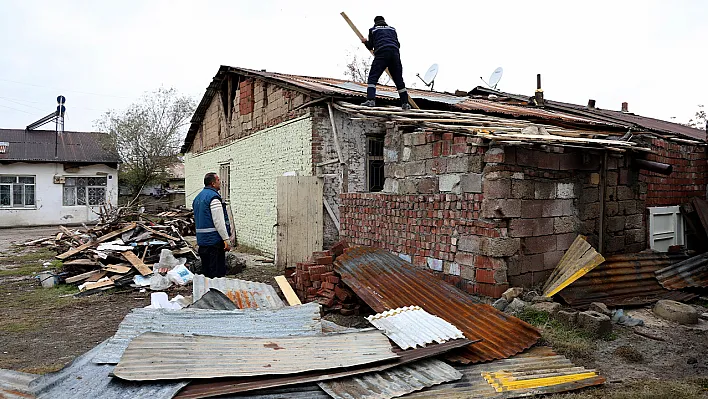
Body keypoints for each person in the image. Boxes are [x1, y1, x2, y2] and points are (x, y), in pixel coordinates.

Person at [361, 16, 411, 110]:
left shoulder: (373, 30)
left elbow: (370, 46)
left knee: (373, 77)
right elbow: (398, 44)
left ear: (375, 22)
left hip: (382, 53)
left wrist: (365, 42)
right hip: (395, 54)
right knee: (399, 80)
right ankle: (405, 103)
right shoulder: (392, 29)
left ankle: (371, 100)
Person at [193, 172, 231, 278]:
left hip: (202, 242)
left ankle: (207, 292)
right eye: (218, 180)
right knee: (216, 274)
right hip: (214, 243)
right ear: (213, 183)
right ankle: (216, 293)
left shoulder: (198, 198)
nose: (221, 182)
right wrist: (226, 239)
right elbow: (219, 222)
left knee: (207, 273)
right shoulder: (213, 198)